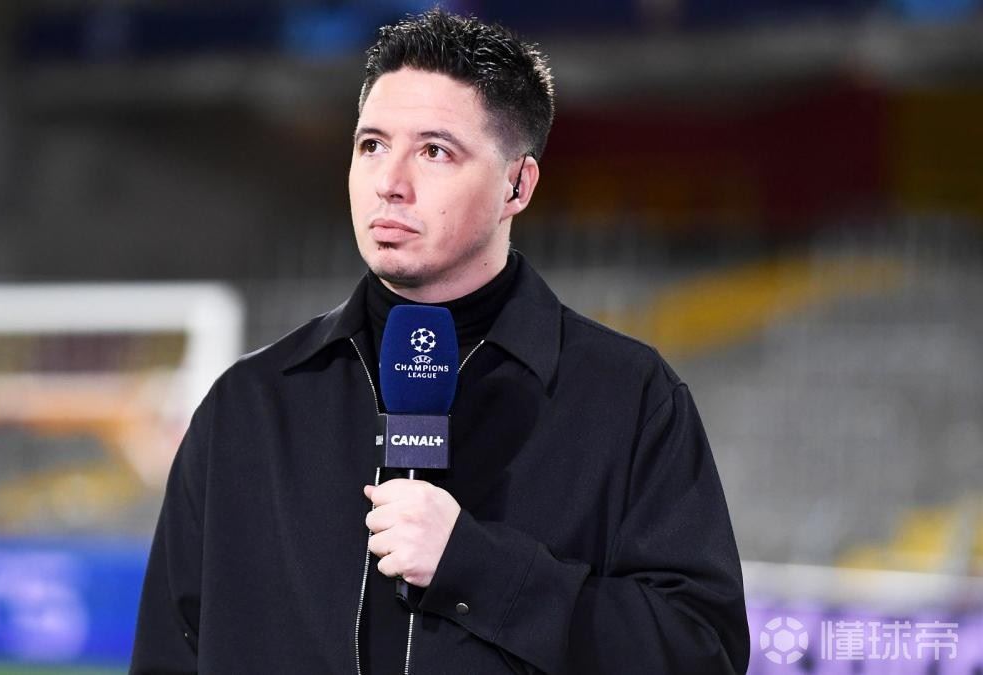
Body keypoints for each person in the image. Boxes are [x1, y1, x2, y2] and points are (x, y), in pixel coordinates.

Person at [131, 9, 749, 674]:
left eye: (434, 151)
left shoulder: (627, 398)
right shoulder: (247, 406)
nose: (390, 183)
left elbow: (702, 653)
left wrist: (479, 567)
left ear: (517, 185)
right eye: (372, 145)